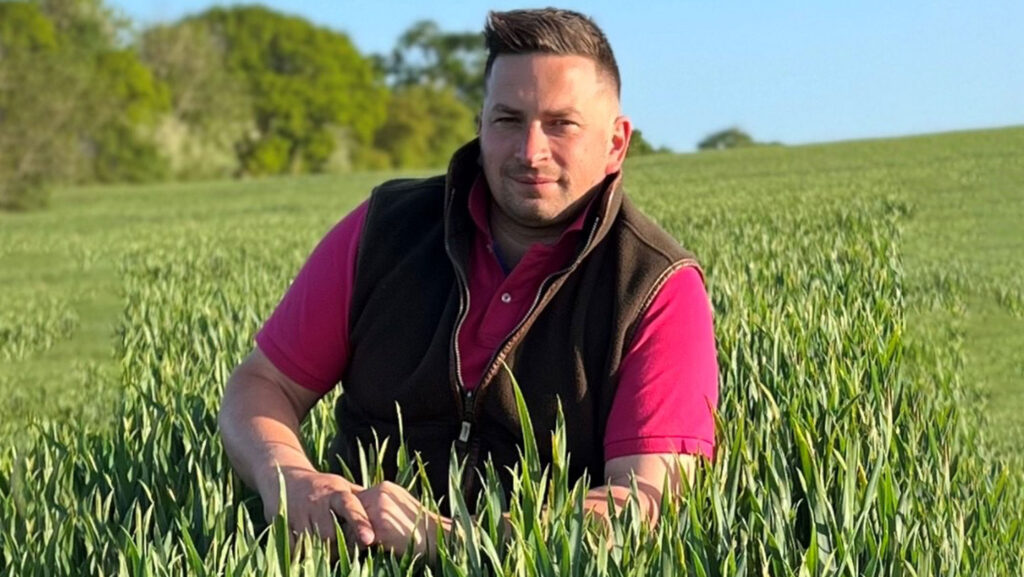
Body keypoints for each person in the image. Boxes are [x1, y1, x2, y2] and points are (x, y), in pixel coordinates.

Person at [218, 7, 718, 561]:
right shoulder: (385, 228)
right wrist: (289, 478)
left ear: (616, 143)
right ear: (480, 124)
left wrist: (453, 544)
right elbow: (261, 384)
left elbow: (648, 500)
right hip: (345, 552)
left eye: (561, 124)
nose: (531, 152)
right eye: (508, 120)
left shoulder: (655, 286)